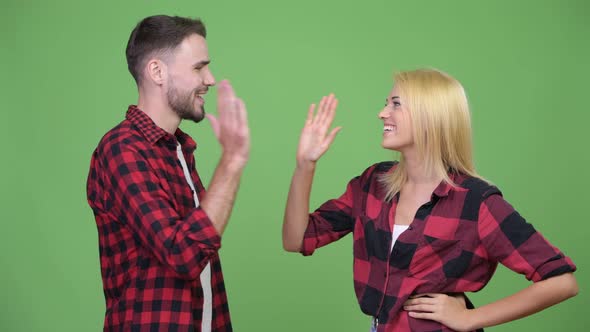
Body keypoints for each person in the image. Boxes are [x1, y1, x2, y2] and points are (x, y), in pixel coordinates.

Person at [282, 68, 578, 331]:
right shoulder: (373, 184)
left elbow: (562, 282)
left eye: (396, 104)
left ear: (430, 115)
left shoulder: (475, 202)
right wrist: (305, 166)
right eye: (387, 103)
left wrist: (472, 318)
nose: (382, 113)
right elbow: (296, 239)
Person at [87, 15, 249, 332]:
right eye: (198, 67)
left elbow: (204, 255)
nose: (210, 78)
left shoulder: (178, 150)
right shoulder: (122, 149)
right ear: (157, 72)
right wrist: (232, 161)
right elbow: (184, 254)